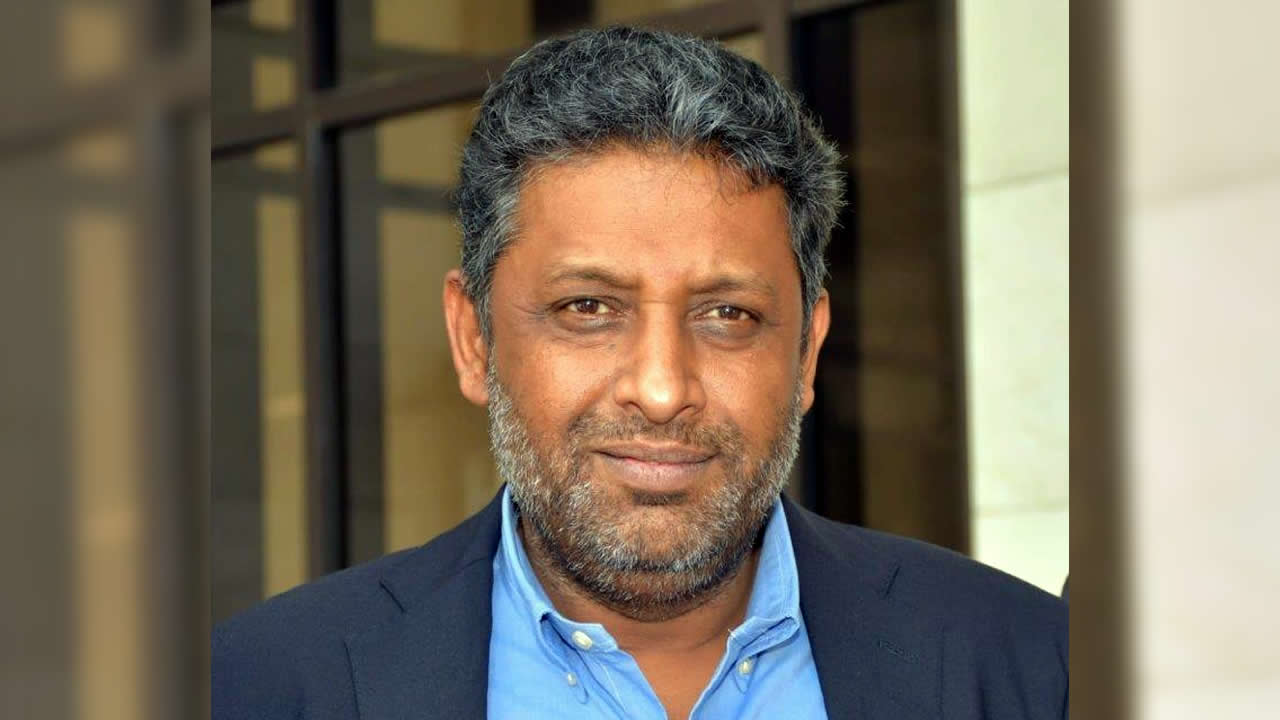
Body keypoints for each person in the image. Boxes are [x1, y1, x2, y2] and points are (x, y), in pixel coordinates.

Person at [213, 26, 1067, 720]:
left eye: (727, 314)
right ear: (474, 338)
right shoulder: (256, 686)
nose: (661, 390)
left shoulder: (1034, 667)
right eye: (588, 307)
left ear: (806, 350)